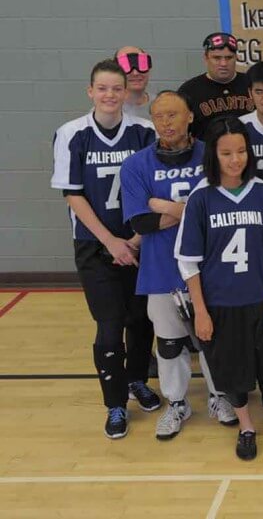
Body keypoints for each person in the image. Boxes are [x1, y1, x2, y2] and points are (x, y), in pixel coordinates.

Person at [174, 117, 263, 460]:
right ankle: (246, 425)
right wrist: (200, 310)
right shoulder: (201, 198)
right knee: (233, 368)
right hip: (219, 303)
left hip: (257, 298)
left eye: (242, 151)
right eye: (226, 152)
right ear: (213, 154)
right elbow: (188, 262)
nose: (235, 159)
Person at [120, 90, 238, 439]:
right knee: (169, 344)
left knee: (212, 338)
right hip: (161, 268)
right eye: (159, 116)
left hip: (211, 267)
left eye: (174, 115)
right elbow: (139, 223)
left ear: (190, 117)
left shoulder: (211, 156)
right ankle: (178, 403)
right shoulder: (136, 165)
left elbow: (221, 208)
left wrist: (161, 204)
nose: (166, 122)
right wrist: (188, 209)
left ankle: (220, 396)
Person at [51, 59, 159, 439]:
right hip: (95, 246)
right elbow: (73, 196)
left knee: (142, 322)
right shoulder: (71, 134)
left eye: (117, 88)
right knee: (110, 328)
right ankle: (115, 404)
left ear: (126, 91)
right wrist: (111, 241)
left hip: (140, 242)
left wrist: (136, 239)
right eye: (103, 88)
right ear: (90, 91)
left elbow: (154, 191)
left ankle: (137, 381)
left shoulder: (144, 133)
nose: (111, 95)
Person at [177, 32, 253, 142]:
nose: (223, 63)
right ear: (206, 58)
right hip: (205, 155)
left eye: (229, 58)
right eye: (217, 58)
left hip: (246, 153)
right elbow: (181, 132)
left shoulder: (251, 85)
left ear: (236, 57)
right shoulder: (189, 91)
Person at [115, 46, 153, 120]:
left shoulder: (164, 105)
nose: (135, 73)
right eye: (125, 66)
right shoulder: (104, 113)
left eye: (141, 64)